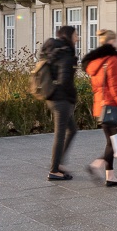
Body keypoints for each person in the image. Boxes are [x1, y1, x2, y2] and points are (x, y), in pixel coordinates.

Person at [82, 29, 117, 187]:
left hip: (101, 106)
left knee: (111, 142)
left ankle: (110, 176)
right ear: (112, 41)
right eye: (116, 41)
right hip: (113, 106)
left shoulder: (96, 62)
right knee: (113, 143)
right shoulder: (112, 60)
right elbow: (116, 88)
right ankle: (95, 165)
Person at [40, 25, 78, 181]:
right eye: (76, 35)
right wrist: (72, 97)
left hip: (51, 96)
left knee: (72, 129)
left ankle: (59, 163)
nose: (77, 38)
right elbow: (65, 80)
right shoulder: (66, 53)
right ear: (69, 36)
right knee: (61, 134)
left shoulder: (54, 49)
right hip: (61, 99)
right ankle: (54, 170)